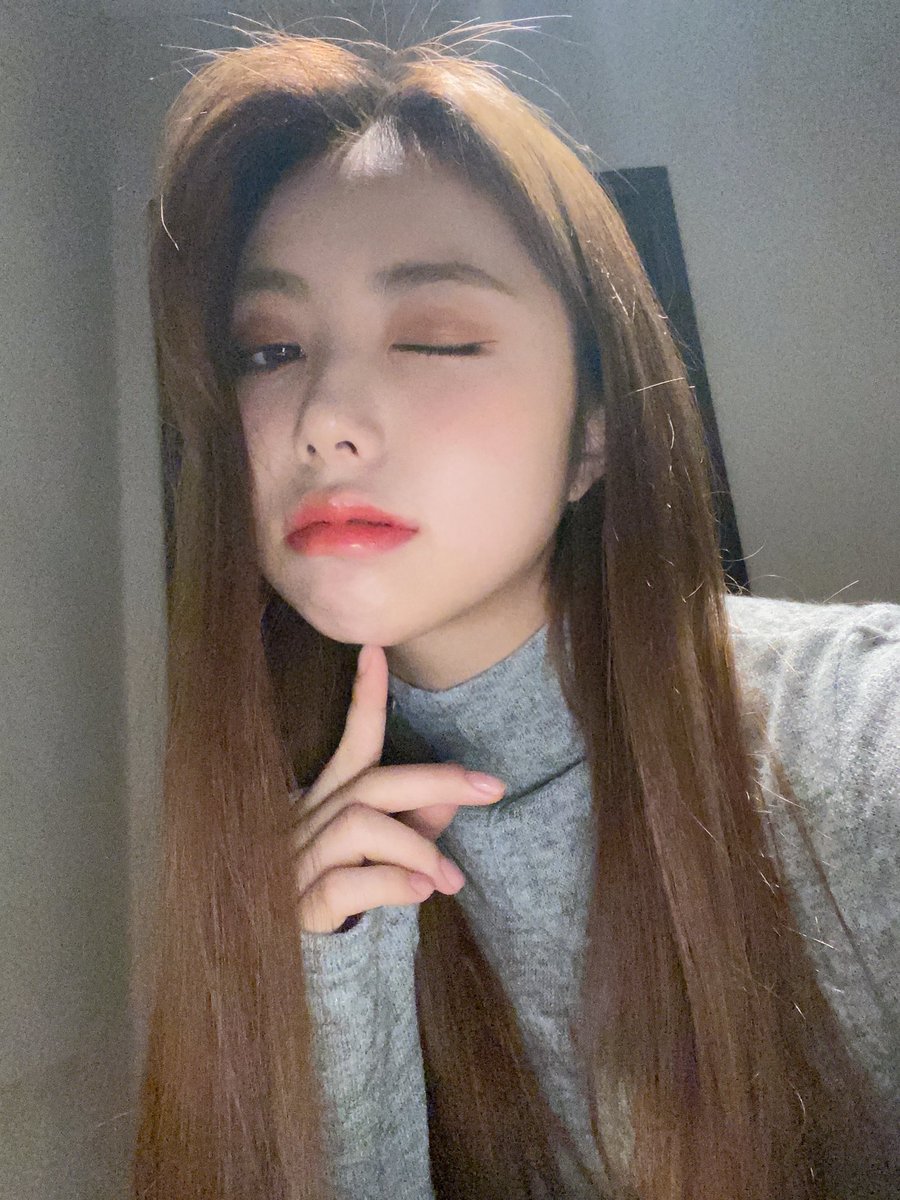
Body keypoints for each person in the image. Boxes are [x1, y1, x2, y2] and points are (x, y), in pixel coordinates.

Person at [133, 22, 900, 1200]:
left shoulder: (852, 728)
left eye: (434, 338)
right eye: (270, 350)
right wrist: (327, 978)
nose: (322, 419)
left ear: (593, 432)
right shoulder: (264, 851)